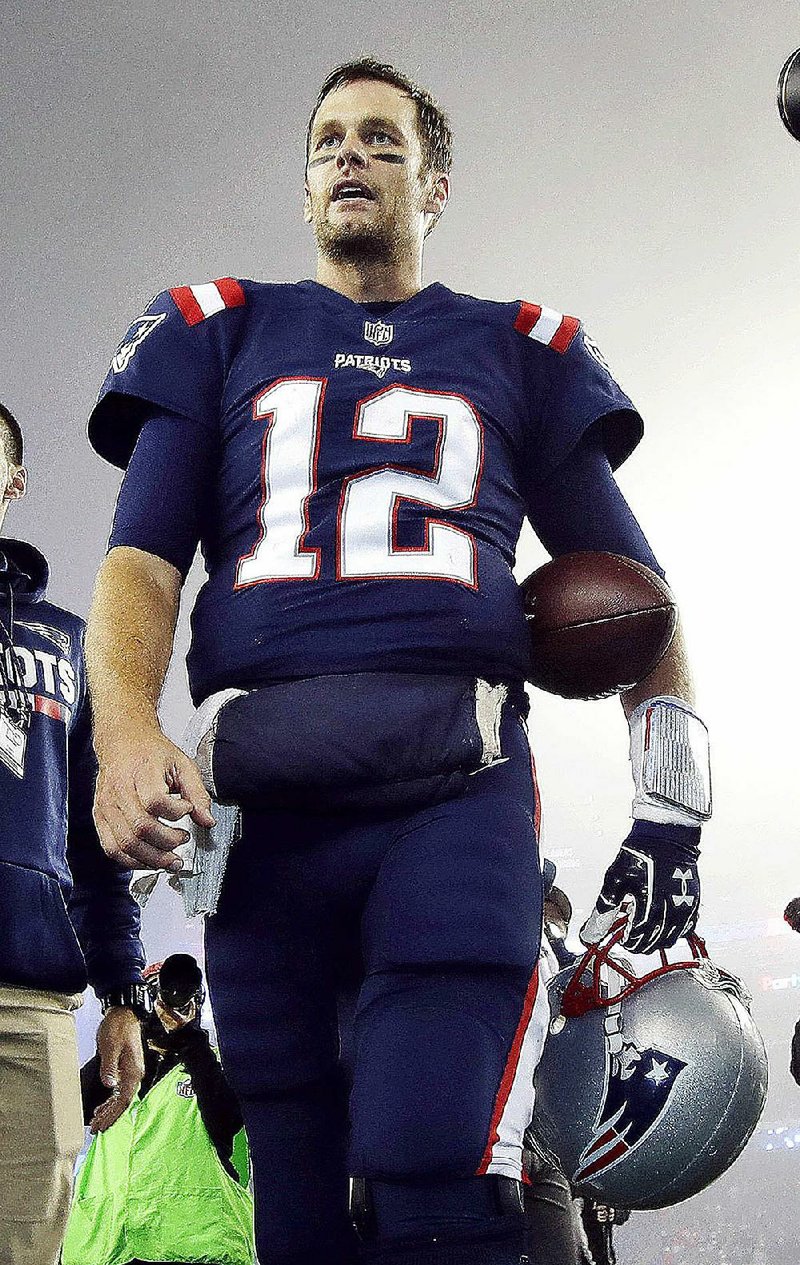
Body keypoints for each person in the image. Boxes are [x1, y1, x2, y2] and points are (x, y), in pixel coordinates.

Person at [84, 59, 711, 1265]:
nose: (346, 158)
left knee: (430, 1148)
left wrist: (672, 806)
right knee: (293, 1180)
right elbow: (141, 561)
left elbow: (634, 595)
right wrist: (124, 725)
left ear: (433, 180)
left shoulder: (516, 346)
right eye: (325, 141)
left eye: (377, 139)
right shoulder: (216, 327)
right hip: (260, 797)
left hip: (451, 782)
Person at [0, 401, 146, 1265]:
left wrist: (123, 994)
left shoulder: (67, 645)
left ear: (12, 483)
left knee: (28, 1248)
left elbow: (97, 845)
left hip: (30, 1002)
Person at [62, 953, 254, 1265]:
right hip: (110, 1246)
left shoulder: (217, 1065)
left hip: (197, 1245)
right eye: (157, 994)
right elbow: (71, 1108)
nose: (168, 1006)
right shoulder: (119, 1071)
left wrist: (190, 1041)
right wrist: (126, 1032)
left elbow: (225, 1121)